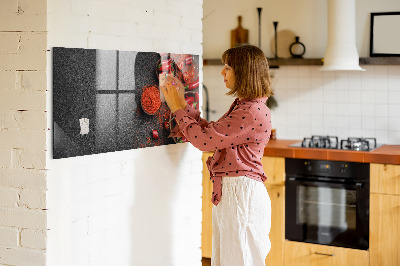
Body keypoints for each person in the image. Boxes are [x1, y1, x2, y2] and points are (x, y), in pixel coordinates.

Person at [161, 44, 273, 266]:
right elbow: (212, 133)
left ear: (244, 72)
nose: (222, 72)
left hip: (241, 195)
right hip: (236, 193)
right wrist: (183, 105)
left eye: (228, 67)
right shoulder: (246, 106)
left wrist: (176, 108)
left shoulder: (250, 111)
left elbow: (204, 141)